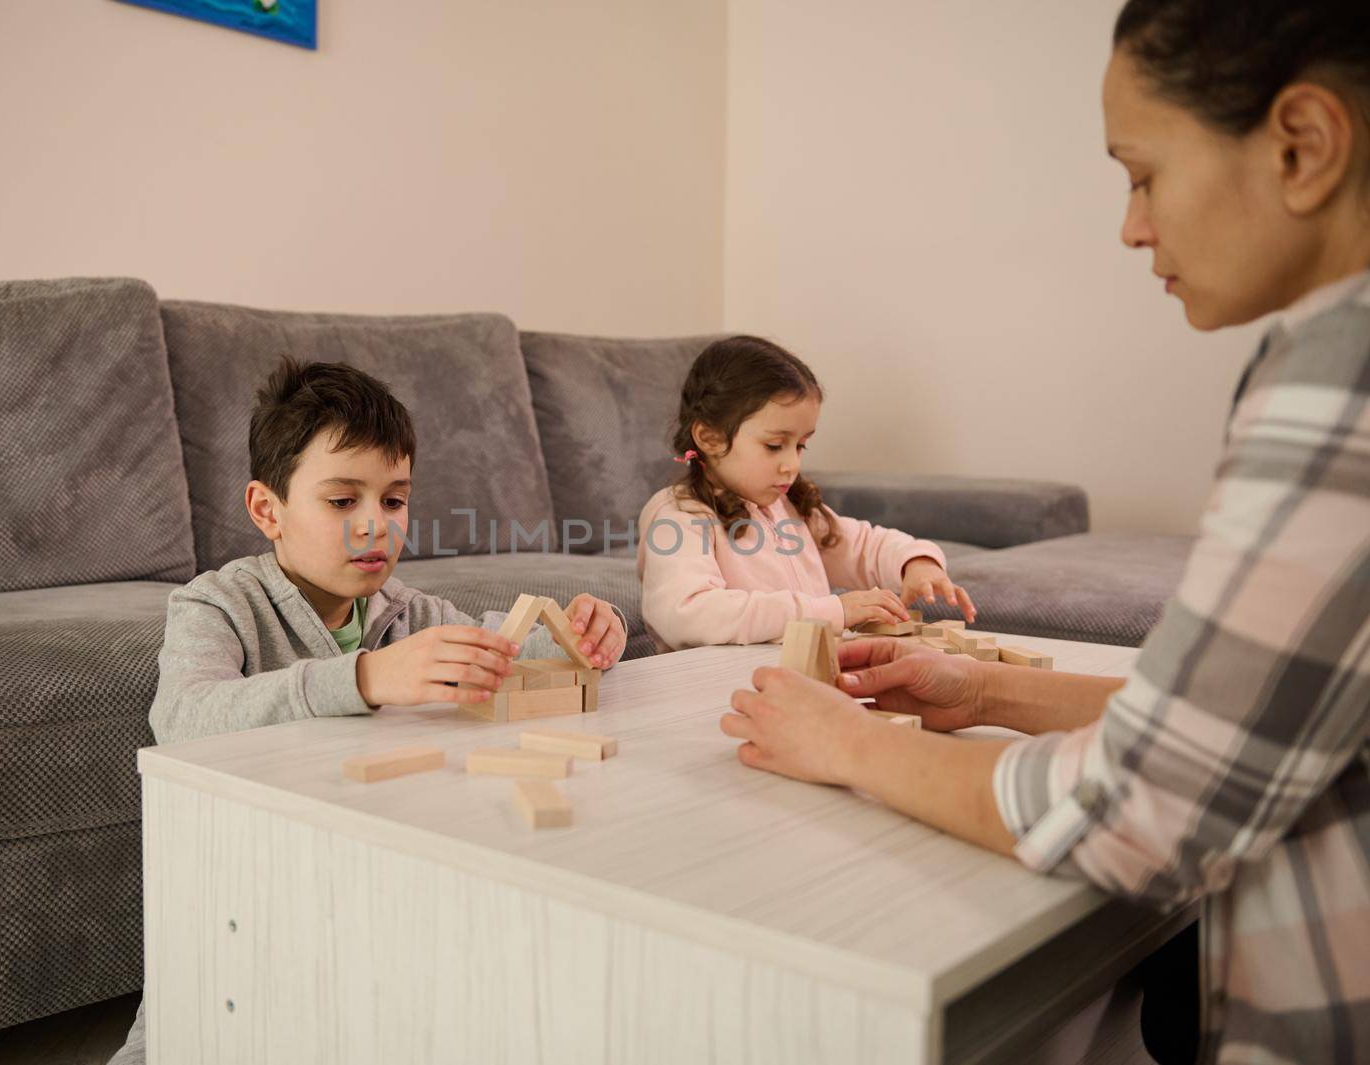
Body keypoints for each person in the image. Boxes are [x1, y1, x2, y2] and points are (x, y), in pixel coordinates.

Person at [721, 2, 1370, 1062]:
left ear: (1301, 144)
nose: (1132, 224)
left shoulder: (1337, 379)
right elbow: (1248, 722)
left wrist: (842, 743)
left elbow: (1142, 811)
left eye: (1142, 173)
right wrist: (982, 691)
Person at [109, 357, 628, 1061]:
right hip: (246, 902)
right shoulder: (217, 604)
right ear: (268, 510)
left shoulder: (409, 610)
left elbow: (502, 646)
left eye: (393, 501)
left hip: (362, 898)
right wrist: (364, 676)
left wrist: (589, 634)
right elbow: (184, 718)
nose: (374, 528)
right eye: (342, 501)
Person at [637, 335, 974, 653]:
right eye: (774, 446)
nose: (791, 465)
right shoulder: (680, 515)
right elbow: (689, 614)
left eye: (800, 445)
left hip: (795, 686)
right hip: (715, 694)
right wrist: (829, 611)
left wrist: (916, 563)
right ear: (709, 438)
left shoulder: (790, 509)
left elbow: (861, 546)